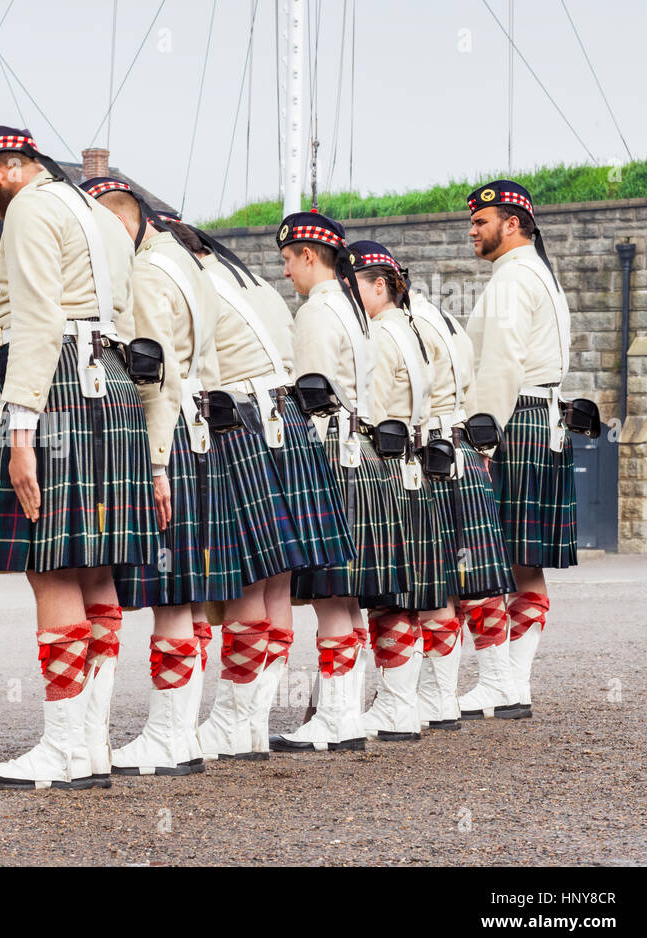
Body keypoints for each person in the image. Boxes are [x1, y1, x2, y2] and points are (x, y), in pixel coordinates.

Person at [0, 127, 153, 791]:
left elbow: (39, 321)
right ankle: (91, 747)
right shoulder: (103, 216)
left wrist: (21, 434)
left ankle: (62, 750)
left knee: (50, 567)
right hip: (116, 382)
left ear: (10, 166)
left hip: (58, 382)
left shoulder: (31, 209)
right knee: (97, 571)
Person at [162, 217, 355, 761]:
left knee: (250, 583)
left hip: (240, 420)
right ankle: (248, 721)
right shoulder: (255, 285)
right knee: (274, 583)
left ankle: (233, 721)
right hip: (283, 421)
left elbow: (194, 366)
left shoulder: (195, 283)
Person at [83, 180, 239, 777]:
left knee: (170, 593)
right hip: (202, 428)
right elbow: (211, 364)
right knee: (191, 595)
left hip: (170, 436)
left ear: (120, 225)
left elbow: (157, 380)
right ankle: (182, 733)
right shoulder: (185, 262)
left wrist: (153, 461)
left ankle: (169, 737)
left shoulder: (146, 272)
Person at [271, 212, 409, 753]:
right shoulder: (353, 310)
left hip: (330, 448)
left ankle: (335, 717)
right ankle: (344, 714)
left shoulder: (317, 312)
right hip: (365, 450)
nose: (286, 271)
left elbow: (306, 397)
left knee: (331, 593)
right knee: (346, 597)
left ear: (309, 254)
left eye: (288, 259)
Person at [458, 180, 576, 720]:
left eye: (481, 222)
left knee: (482, 553)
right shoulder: (543, 277)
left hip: (512, 419)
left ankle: (498, 681)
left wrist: (482, 433)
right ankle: (514, 685)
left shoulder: (510, 279)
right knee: (525, 562)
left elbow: (501, 363)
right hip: (543, 419)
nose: (472, 231)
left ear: (511, 224)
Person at [404, 277, 516, 731]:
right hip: (463, 447)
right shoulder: (445, 318)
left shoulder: (407, 324)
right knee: (469, 577)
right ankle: (493, 682)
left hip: (433, 449)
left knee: (437, 577)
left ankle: (441, 696)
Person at [346, 241, 445, 742]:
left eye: (353, 284)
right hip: (414, 464)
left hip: (386, 463)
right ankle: (400, 704)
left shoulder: (381, 336)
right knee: (401, 594)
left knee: (385, 594)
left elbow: (372, 408)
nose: (346, 293)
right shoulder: (410, 328)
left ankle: (394, 706)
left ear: (378, 285)